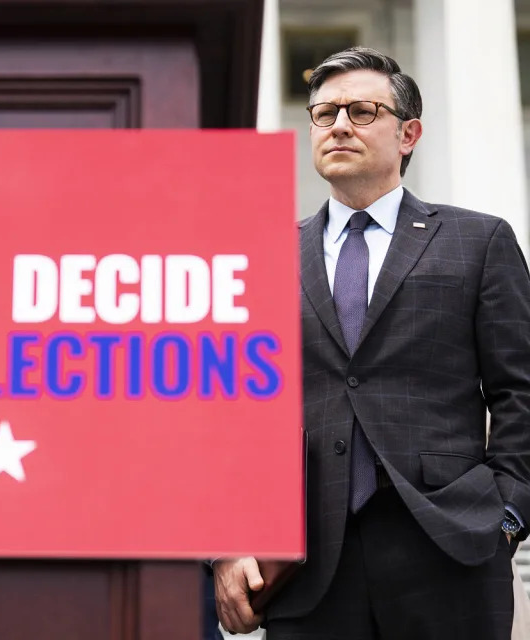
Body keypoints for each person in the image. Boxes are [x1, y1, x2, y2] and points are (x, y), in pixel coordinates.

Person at [213, 46, 530, 639]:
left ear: (408, 133)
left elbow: (521, 391)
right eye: (323, 112)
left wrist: (507, 514)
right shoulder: (261, 255)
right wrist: (226, 545)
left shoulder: (477, 240)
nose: (337, 126)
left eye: (361, 111)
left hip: (450, 550)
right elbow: (229, 410)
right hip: (307, 565)